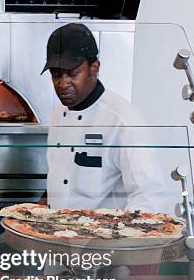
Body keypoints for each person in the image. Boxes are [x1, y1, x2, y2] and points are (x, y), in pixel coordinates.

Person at [42, 23, 169, 213]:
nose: (62, 84)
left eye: (72, 73)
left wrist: (120, 236)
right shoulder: (58, 112)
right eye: (56, 75)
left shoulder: (124, 120)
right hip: (54, 232)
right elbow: (60, 177)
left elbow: (150, 196)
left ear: (94, 67)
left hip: (99, 238)